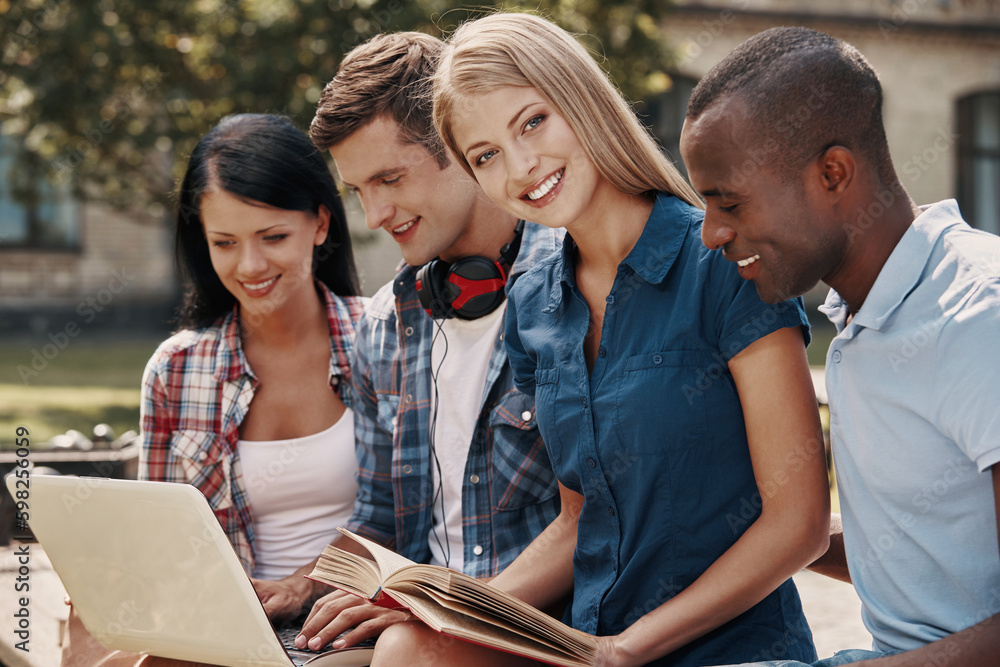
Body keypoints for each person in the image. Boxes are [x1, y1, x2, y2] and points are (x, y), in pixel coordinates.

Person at [368, 12, 832, 667]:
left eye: (532, 121)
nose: (522, 167)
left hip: (729, 652)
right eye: (486, 155)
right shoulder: (532, 299)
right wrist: (453, 611)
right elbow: (576, 519)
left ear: (581, 100)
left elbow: (800, 523)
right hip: (587, 642)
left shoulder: (724, 265)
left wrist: (628, 647)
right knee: (409, 648)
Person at [678, 27, 1000, 667]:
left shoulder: (978, 315)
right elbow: (926, 556)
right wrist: (725, 518)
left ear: (833, 174)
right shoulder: (863, 317)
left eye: (731, 203)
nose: (711, 234)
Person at [250, 31, 564, 653]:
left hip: (533, 629)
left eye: (389, 178)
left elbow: (604, 529)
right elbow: (380, 521)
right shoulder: (384, 327)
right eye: (358, 190)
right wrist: (304, 586)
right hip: (417, 626)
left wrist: (439, 614)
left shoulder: (574, 293)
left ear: (461, 144)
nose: (373, 215)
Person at [61, 114, 366, 666]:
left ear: (321, 223)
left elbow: (412, 520)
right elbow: (163, 542)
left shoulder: (386, 341)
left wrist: (303, 584)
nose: (249, 266)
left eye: (273, 237)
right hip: (224, 634)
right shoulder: (177, 370)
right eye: (224, 242)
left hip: (345, 629)